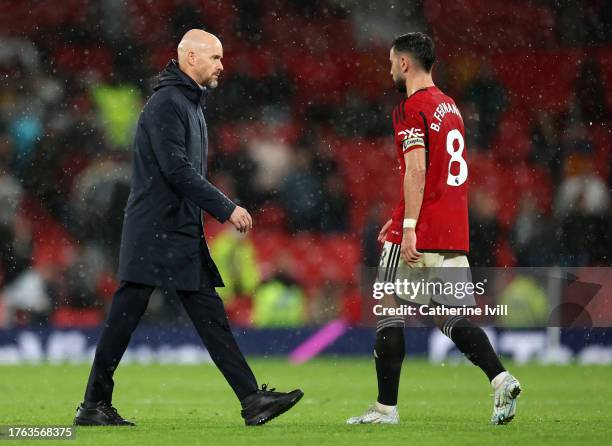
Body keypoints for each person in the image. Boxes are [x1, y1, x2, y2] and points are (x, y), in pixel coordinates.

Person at [73, 29, 303, 427]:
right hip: (154, 230)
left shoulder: (189, 103)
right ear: (190, 57)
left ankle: (251, 399)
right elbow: (176, 170)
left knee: (205, 315)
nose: (221, 65)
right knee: (126, 316)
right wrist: (225, 207)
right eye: (214, 58)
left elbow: (181, 171)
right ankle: (93, 404)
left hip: (177, 229)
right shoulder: (168, 103)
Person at [346, 33, 521, 426]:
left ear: (405, 64)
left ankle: (385, 409)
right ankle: (501, 379)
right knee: (449, 316)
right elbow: (442, 173)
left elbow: (418, 168)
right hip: (452, 230)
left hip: (421, 231)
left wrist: (408, 226)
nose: (390, 69)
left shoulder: (412, 107)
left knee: (389, 309)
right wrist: (405, 212)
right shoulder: (450, 106)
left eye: (392, 62)